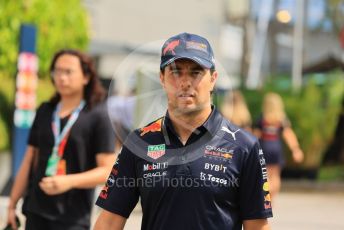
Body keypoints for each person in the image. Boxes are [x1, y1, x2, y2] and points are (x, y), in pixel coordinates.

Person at [94, 33, 272, 230]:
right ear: (162, 78)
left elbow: (257, 226)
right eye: (176, 72)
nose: (185, 82)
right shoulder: (139, 142)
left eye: (196, 72)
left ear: (213, 79)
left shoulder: (244, 146)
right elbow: (109, 222)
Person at [7, 49, 116, 230]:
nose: (61, 77)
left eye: (68, 72)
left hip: (72, 218)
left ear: (86, 77)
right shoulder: (45, 110)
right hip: (35, 211)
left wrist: (69, 181)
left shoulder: (98, 116)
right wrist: (12, 204)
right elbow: (28, 161)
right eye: (57, 71)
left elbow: (107, 170)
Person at [253, 92, 304, 200]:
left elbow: (255, 136)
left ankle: (267, 197)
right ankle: (273, 198)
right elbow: (288, 134)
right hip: (276, 148)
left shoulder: (262, 118)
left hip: (265, 147)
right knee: (275, 175)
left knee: (265, 176)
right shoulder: (281, 119)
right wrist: (296, 149)